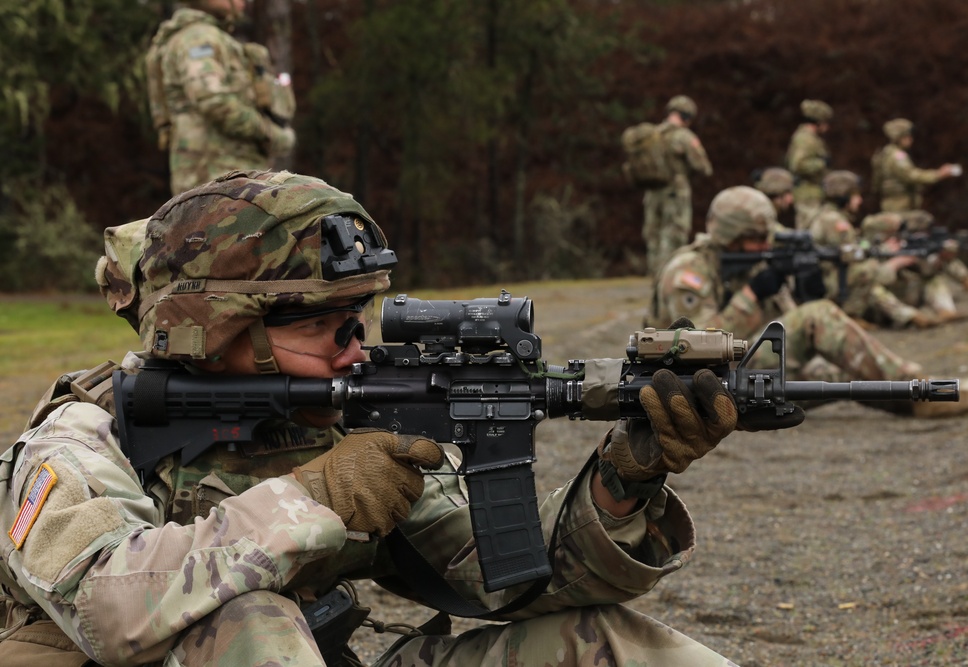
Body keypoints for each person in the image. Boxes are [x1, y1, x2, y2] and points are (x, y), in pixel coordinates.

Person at [1, 170, 765, 666]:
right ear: (219, 326)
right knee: (251, 615)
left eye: (358, 316)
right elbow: (110, 606)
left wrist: (623, 483)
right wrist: (313, 499)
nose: (353, 346)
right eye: (325, 323)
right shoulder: (87, 435)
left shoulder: (343, 421)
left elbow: (507, 577)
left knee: (606, 645)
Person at [646, 185, 968, 417]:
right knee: (819, 316)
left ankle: (946, 395)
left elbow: (789, 330)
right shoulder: (687, 272)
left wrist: (803, 290)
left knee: (851, 373)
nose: (765, 245)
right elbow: (695, 351)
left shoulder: (747, 265)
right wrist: (753, 295)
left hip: (747, 380)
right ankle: (919, 386)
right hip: (703, 394)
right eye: (757, 238)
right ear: (732, 235)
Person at [146, 0, 297, 195]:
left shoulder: (211, 37)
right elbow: (214, 102)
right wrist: (272, 135)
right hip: (216, 179)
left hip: (229, 179)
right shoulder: (198, 39)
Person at [807, 171, 937, 329]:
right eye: (855, 196)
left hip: (831, 276)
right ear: (844, 197)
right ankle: (851, 316)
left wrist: (873, 246)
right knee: (868, 271)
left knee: (871, 277)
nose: (859, 200)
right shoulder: (834, 221)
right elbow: (851, 253)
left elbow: (856, 245)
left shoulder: (831, 216)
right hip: (828, 279)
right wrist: (885, 253)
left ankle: (907, 316)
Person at [641, 94, 713, 276]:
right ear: (687, 116)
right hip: (675, 194)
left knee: (653, 238)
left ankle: (655, 277)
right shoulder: (684, 137)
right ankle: (669, 278)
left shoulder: (651, 136)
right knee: (673, 237)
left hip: (651, 194)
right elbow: (703, 167)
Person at [860, 209, 968, 323]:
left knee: (933, 279)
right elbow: (874, 279)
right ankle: (913, 318)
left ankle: (946, 311)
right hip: (878, 308)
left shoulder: (902, 244)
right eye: (890, 233)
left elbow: (926, 272)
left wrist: (936, 259)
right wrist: (895, 263)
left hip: (903, 294)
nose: (895, 237)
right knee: (874, 290)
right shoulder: (865, 250)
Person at [871, 118, 961, 213]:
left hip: (894, 204)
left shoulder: (886, 153)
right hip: (899, 206)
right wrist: (938, 174)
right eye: (906, 136)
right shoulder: (897, 156)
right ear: (898, 137)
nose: (910, 139)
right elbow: (911, 175)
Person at [785, 99, 833, 228]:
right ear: (819, 122)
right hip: (806, 194)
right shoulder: (805, 139)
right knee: (808, 230)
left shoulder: (811, 138)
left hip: (813, 192)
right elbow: (798, 165)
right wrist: (821, 163)